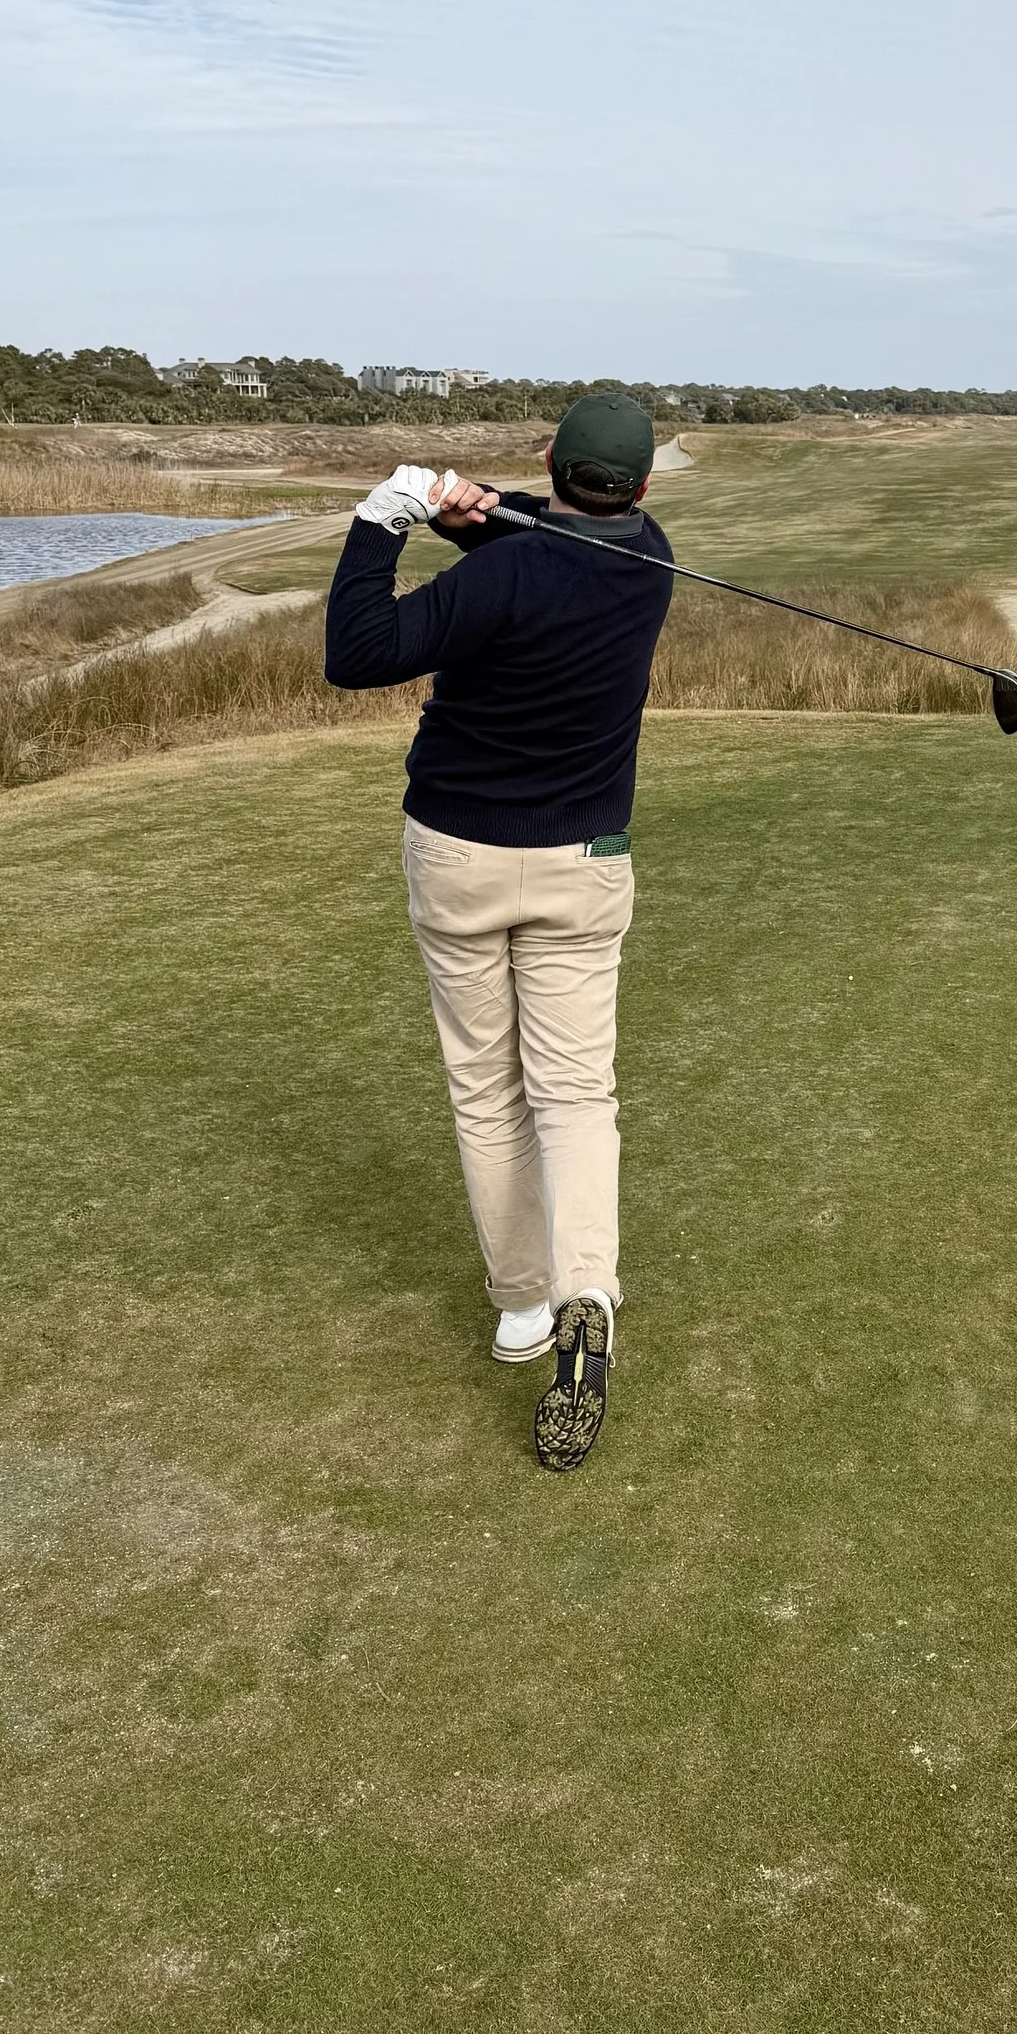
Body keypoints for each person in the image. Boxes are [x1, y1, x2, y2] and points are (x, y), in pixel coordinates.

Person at [323, 388, 674, 1470]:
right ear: (643, 489)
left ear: (549, 463)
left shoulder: (498, 580)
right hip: (582, 864)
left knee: (486, 1084)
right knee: (576, 1093)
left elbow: (359, 648)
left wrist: (387, 516)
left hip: (461, 858)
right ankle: (585, 1288)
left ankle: (523, 1308)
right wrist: (470, 510)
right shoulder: (652, 555)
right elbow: (554, 523)